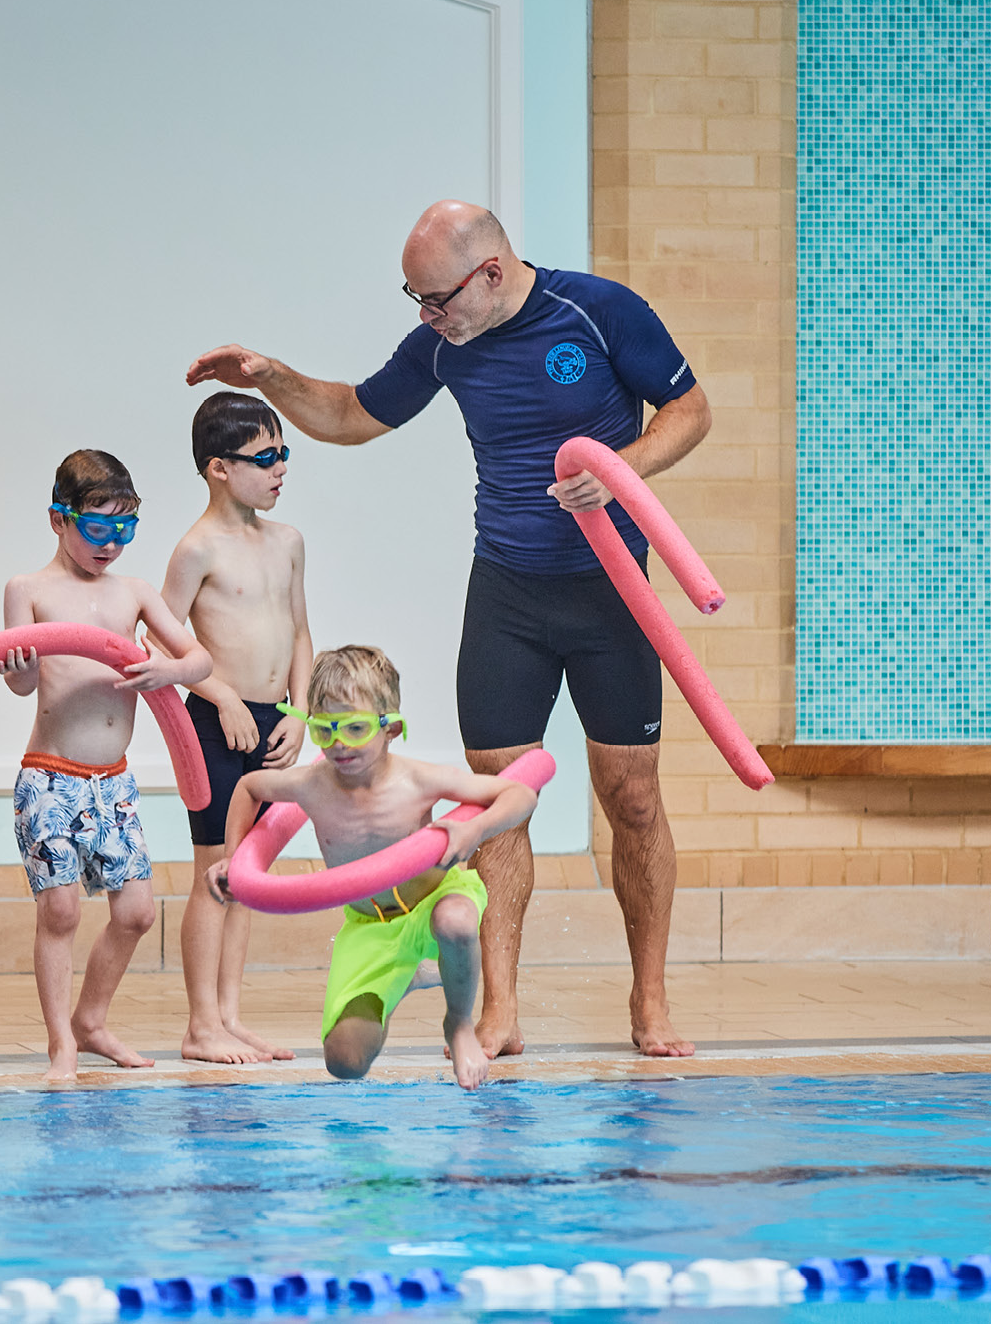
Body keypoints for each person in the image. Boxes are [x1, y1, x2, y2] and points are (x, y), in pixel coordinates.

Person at [187, 199, 708, 1059]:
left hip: (611, 590)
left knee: (635, 798)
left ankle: (648, 1002)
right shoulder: (444, 343)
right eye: (415, 299)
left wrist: (622, 471)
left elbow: (689, 410)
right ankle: (499, 1009)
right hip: (507, 591)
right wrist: (269, 375)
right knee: (498, 804)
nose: (426, 318)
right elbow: (353, 413)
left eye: (437, 299)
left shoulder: (601, 312)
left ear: (492, 274)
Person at [207, 646, 537, 1090]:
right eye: (325, 731)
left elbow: (520, 795)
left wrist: (473, 829)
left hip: (434, 898)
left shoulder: (417, 781)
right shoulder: (311, 785)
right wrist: (233, 859)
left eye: (356, 728)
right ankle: (406, 974)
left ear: (391, 729)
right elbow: (248, 787)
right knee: (345, 1062)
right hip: (369, 925)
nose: (340, 745)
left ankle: (458, 1025)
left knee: (456, 921)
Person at [0, 450, 214, 1081]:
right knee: (61, 910)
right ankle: (61, 1039)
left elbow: (197, 659)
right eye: (98, 528)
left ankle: (92, 1021)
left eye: (126, 528)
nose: (111, 544)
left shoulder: (135, 594)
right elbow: (21, 686)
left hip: (112, 781)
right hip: (49, 774)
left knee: (138, 912)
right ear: (58, 520)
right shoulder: (28, 590)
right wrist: (22, 667)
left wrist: (169, 672)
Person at [160, 393, 312, 1065]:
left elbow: (302, 632)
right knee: (214, 874)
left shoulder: (287, 541)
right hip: (217, 725)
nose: (281, 469)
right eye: (266, 458)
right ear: (219, 468)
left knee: (248, 875)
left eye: (284, 454)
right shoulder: (197, 549)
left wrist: (301, 713)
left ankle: (229, 1014)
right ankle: (199, 1025)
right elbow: (159, 645)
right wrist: (220, 696)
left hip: (277, 726)